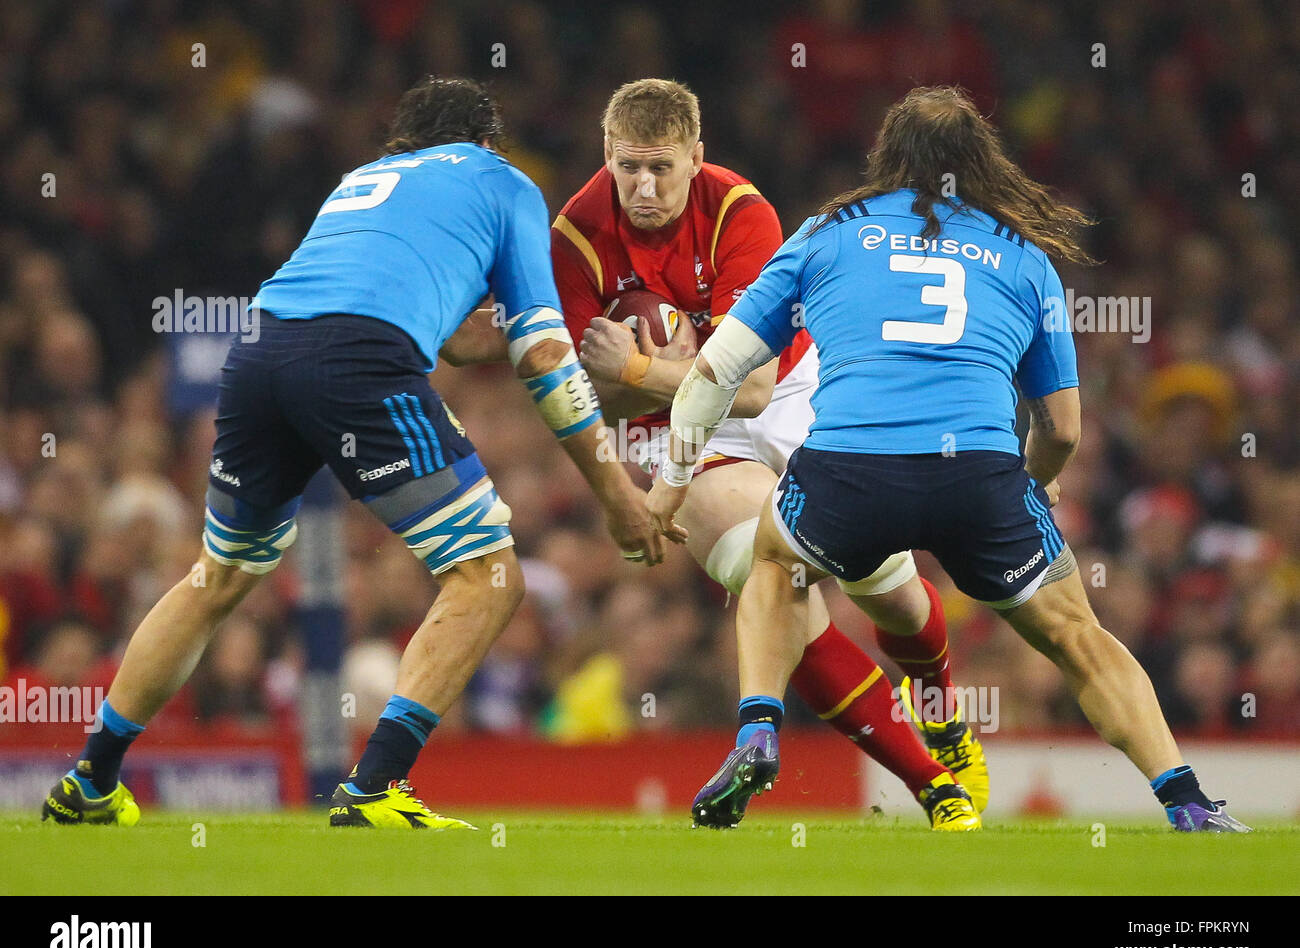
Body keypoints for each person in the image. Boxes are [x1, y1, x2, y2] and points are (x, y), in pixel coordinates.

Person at [41, 77, 663, 830]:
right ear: (487, 141)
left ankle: (91, 779)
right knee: (490, 574)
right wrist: (616, 494)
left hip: (261, 351)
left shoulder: (362, 183)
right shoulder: (505, 182)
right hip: (357, 358)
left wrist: (527, 338)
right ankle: (374, 787)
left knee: (220, 574)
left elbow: (458, 336)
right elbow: (538, 353)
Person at [647, 86, 1249, 834]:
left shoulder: (826, 233)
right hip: (980, 476)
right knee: (1078, 636)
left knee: (774, 565)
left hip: (847, 470)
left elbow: (714, 372)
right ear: (979, 162)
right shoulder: (1026, 258)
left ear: (887, 156)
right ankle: (1185, 797)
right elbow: (1062, 424)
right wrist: (1037, 483)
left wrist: (671, 480)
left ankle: (760, 728)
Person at [448, 79, 985, 831]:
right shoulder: (574, 236)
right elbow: (576, 397)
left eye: (661, 168)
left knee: (886, 586)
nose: (642, 186)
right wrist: (639, 384)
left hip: (800, 392)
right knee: (773, 579)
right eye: (627, 167)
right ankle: (938, 789)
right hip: (682, 430)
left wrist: (636, 370)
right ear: (607, 155)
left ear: (696, 158)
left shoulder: (741, 211)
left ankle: (942, 709)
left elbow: (754, 386)